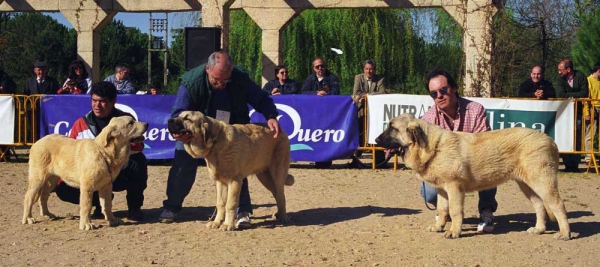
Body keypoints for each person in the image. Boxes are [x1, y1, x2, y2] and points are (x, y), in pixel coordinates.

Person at [159, 51, 281, 229]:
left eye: (226, 80)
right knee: (183, 162)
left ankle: (242, 211)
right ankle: (172, 207)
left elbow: (260, 98)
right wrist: (181, 134)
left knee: (237, 166)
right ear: (208, 69)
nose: (221, 84)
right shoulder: (191, 82)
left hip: (232, 128)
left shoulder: (239, 77)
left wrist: (270, 115)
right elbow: (178, 114)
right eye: (217, 80)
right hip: (197, 130)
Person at [53, 81, 148, 221]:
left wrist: (126, 145)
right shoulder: (81, 124)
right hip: (91, 174)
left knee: (139, 162)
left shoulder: (126, 120)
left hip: (119, 171)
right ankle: (99, 204)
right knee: (63, 189)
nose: (97, 105)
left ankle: (134, 208)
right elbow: (70, 151)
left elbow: (139, 147)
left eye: (102, 101)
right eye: (94, 100)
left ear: (113, 101)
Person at [420, 68, 498, 234]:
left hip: (474, 163)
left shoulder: (475, 110)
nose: (439, 96)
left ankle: (486, 211)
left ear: (454, 88)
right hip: (446, 169)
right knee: (429, 192)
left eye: (443, 90)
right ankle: (444, 213)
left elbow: (486, 146)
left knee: (491, 165)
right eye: (434, 94)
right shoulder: (428, 119)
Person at [301, 58, 340, 168]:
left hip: (328, 113)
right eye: (317, 67)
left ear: (325, 66)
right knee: (316, 136)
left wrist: (325, 94)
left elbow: (336, 92)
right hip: (314, 114)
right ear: (314, 68)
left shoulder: (332, 78)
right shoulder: (309, 79)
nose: (320, 68)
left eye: (322, 66)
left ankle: (326, 160)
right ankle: (316, 158)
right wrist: (316, 93)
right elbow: (303, 92)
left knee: (326, 136)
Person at [350, 60, 389, 166]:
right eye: (367, 69)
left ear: (374, 70)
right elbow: (356, 93)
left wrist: (366, 96)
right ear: (364, 69)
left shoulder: (380, 79)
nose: (369, 71)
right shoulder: (358, 78)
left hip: (375, 112)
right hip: (361, 110)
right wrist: (369, 96)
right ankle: (355, 159)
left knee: (376, 133)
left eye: (371, 69)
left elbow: (382, 93)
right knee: (359, 133)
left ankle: (379, 160)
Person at [555, 59, 589, 172]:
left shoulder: (581, 76)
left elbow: (584, 93)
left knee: (577, 138)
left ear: (568, 69)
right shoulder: (559, 79)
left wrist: (569, 96)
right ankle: (567, 164)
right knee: (565, 137)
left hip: (578, 113)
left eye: (561, 70)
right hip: (564, 114)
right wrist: (576, 96)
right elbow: (560, 94)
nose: (559, 72)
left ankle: (575, 165)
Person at [584, 62, 600, 162]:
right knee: (590, 134)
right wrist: (587, 112)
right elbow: (586, 98)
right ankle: (589, 158)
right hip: (593, 109)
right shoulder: (588, 80)